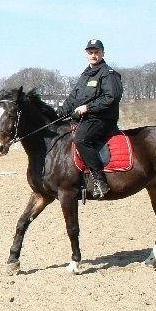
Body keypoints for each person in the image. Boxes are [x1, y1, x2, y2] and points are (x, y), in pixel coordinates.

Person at [57, 39, 123, 198]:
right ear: (86, 54)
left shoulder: (108, 73)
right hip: (86, 119)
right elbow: (73, 99)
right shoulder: (85, 74)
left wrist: (88, 107)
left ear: (102, 53)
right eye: (90, 52)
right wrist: (58, 113)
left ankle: (100, 181)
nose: (93, 55)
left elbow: (112, 97)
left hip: (103, 119)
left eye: (97, 52)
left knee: (80, 139)